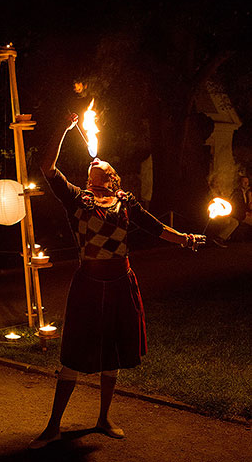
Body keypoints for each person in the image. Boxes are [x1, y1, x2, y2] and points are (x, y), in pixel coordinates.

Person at [30, 114, 206, 449]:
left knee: (113, 349)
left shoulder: (126, 204)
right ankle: (53, 426)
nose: (98, 160)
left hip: (121, 282)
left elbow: (157, 228)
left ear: (112, 178)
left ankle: (104, 418)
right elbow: (46, 165)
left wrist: (184, 239)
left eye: (106, 166)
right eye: (96, 163)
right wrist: (63, 129)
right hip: (89, 284)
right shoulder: (77, 199)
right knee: (73, 353)